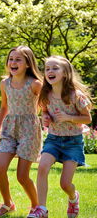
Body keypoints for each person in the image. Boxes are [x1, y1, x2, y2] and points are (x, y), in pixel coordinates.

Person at [31, 56, 92, 218]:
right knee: (42, 167)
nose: (50, 71)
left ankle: (73, 198)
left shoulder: (76, 96)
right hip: (53, 139)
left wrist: (67, 117)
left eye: (55, 68)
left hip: (73, 142)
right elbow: (45, 110)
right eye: (47, 69)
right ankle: (41, 209)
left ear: (65, 73)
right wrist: (45, 118)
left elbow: (88, 119)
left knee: (65, 184)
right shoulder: (46, 94)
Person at [0, 45, 43, 217]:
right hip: (9, 128)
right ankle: (7, 204)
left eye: (18, 59)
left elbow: (46, 106)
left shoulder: (35, 84)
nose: (13, 62)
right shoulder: (4, 83)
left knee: (22, 176)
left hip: (29, 129)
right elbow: (4, 107)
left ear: (28, 64)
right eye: (11, 59)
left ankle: (37, 208)